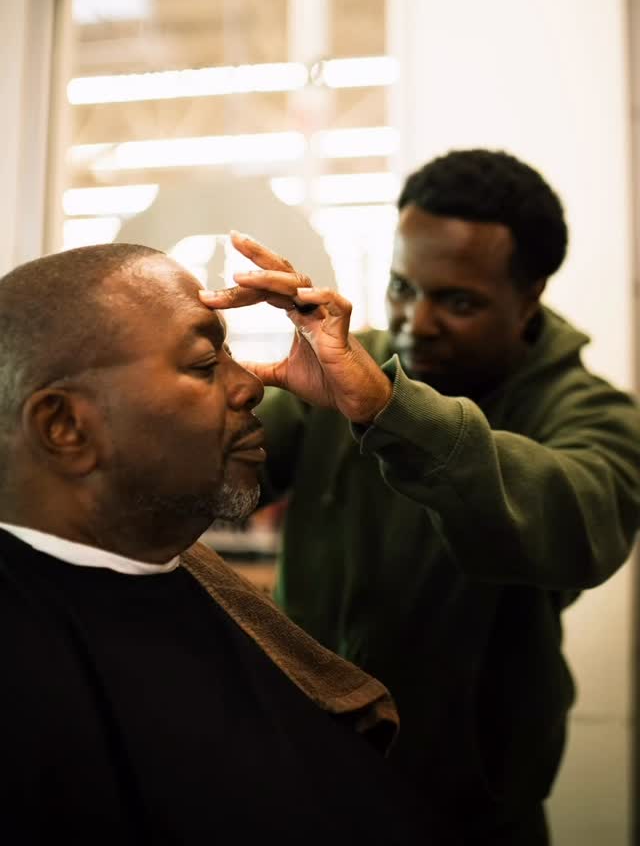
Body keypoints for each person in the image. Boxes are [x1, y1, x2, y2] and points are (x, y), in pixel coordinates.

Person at [201, 149, 640, 846]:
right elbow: (218, 484)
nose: (415, 321)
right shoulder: (344, 363)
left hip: (467, 814)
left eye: (458, 302)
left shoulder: (589, 412)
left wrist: (387, 409)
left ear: (531, 297)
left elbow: (579, 522)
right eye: (403, 287)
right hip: (307, 779)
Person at [0, 242, 430, 846]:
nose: (249, 385)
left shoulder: (172, 570)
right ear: (65, 426)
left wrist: (386, 410)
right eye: (206, 364)